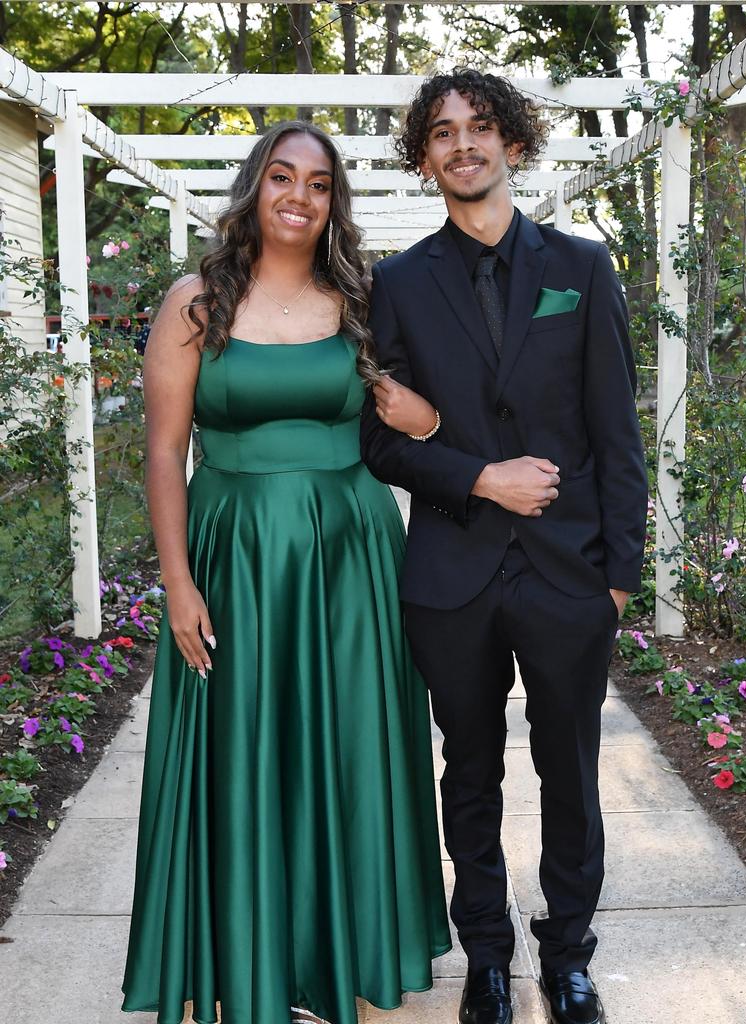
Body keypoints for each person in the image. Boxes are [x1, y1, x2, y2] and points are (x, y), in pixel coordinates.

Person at [121, 121, 452, 1024]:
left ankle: (333, 954)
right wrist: (179, 583)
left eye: (316, 182)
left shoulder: (358, 301)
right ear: (254, 189)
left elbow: (422, 427)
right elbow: (162, 455)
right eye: (281, 177)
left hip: (351, 556)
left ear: (332, 201)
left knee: (349, 751)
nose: (299, 196)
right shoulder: (197, 302)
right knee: (243, 751)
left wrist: (406, 408)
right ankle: (250, 961)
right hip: (237, 554)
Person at [360, 69, 648, 1024]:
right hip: (450, 575)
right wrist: (477, 474)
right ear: (425, 156)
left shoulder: (584, 268)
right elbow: (380, 442)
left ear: (513, 144)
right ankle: (487, 954)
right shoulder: (396, 283)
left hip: (569, 578)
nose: (463, 144)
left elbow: (618, 437)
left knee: (569, 771)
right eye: (441, 132)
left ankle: (567, 954)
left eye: (480, 127)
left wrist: (618, 579)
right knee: (468, 770)